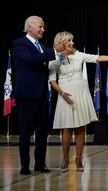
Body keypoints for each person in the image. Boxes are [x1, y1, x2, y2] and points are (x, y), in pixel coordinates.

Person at [49, 31, 108, 172]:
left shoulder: (79, 55)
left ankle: (78, 159)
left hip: (81, 94)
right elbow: (52, 81)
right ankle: (65, 159)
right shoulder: (54, 58)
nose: (72, 43)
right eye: (69, 41)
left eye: (72, 40)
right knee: (67, 128)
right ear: (61, 43)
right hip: (65, 95)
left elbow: (98, 58)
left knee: (81, 128)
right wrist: (63, 94)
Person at [12, 16, 65, 175]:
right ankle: (24, 166)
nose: (43, 29)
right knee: (26, 132)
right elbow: (32, 60)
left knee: (42, 132)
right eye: (40, 27)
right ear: (29, 28)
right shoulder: (20, 43)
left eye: (43, 27)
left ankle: (40, 164)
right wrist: (54, 51)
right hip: (27, 95)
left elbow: (45, 63)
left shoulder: (41, 45)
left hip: (42, 94)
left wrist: (60, 57)